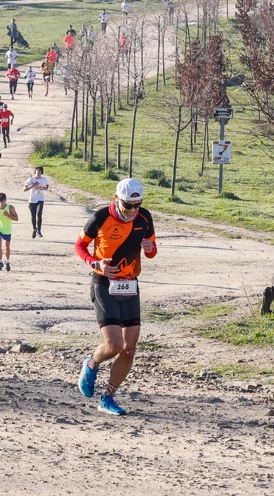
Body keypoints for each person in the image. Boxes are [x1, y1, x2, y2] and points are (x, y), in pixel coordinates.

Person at [74, 178, 158, 416]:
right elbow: (79, 246)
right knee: (114, 345)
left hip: (130, 285)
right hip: (104, 284)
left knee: (129, 348)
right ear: (116, 199)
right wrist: (94, 262)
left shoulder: (144, 218)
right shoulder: (101, 217)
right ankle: (91, 364)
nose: (132, 210)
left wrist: (150, 249)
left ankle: (108, 396)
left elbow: (152, 251)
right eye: (127, 205)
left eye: (137, 205)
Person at [0, 193, 18, 272]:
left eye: (2, 202)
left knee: (7, 247)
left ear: (5, 201)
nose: (1, 204)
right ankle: (0, 262)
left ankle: (8, 262)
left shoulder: (10, 208)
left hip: (7, 229)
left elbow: (16, 218)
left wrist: (8, 215)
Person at [24, 167, 49, 238]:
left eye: (40, 171)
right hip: (32, 200)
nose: (38, 172)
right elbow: (24, 189)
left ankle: (39, 231)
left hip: (40, 199)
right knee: (33, 216)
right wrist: (33, 185)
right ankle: (34, 229)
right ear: (35, 172)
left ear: (42, 172)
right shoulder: (31, 179)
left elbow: (47, 187)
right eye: (37, 170)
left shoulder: (44, 179)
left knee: (39, 214)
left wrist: (43, 188)